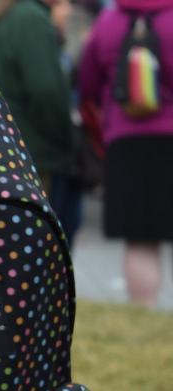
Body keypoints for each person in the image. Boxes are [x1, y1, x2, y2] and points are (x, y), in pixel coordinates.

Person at [79, 0, 173, 306]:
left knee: (140, 239)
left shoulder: (107, 22)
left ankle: (143, 316)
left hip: (125, 142)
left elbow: (87, 82)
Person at [0, 0, 76, 201]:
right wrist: (67, 140)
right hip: (34, 148)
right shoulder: (31, 17)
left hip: (5, 144)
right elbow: (46, 89)